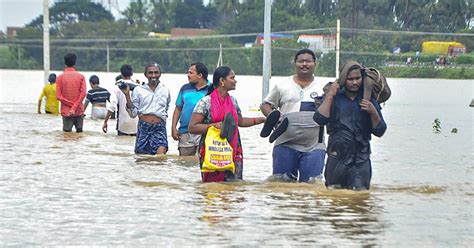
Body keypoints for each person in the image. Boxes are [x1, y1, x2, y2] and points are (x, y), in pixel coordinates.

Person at [313, 61, 387, 190]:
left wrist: (373, 112)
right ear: (343, 79)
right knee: (333, 194)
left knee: (360, 194)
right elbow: (320, 119)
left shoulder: (368, 99)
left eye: (357, 78)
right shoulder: (334, 97)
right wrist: (330, 95)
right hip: (337, 156)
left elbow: (380, 131)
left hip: (361, 158)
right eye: (350, 79)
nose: (354, 82)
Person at [188, 66, 265, 183]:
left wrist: (262, 119)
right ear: (222, 81)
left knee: (234, 184)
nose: (235, 81)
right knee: (212, 187)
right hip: (212, 148)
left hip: (233, 148)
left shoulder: (233, 101)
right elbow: (192, 127)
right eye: (232, 78)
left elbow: (240, 122)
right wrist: (214, 126)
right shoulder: (205, 102)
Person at [260, 48, 326, 182]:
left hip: (314, 146)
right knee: (281, 185)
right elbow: (265, 104)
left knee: (311, 185)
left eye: (308, 61)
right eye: (301, 61)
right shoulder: (282, 85)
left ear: (315, 63)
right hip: (285, 143)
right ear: (295, 63)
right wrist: (273, 118)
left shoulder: (323, 87)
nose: (304, 64)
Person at [122, 62, 170, 155]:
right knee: (142, 158)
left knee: (160, 157)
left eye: (156, 72)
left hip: (159, 128)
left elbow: (166, 109)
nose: (153, 75)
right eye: (150, 73)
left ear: (160, 74)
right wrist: (127, 95)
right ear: (145, 75)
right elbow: (133, 114)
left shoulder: (165, 90)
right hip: (144, 127)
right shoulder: (138, 90)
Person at [171, 62, 210, 156]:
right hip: (185, 132)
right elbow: (178, 109)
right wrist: (173, 127)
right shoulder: (185, 88)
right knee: (184, 163)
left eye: (191, 73)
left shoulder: (212, 89)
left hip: (204, 132)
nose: (188, 75)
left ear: (200, 75)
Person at [102, 65, 138, 136]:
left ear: (121, 73)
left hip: (122, 125)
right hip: (136, 125)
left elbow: (112, 106)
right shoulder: (138, 87)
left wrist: (105, 122)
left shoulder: (117, 86)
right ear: (132, 73)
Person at [56, 53, 87, 132]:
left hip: (66, 112)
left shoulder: (60, 78)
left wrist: (72, 106)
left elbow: (58, 96)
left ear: (65, 63)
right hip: (79, 110)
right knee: (79, 135)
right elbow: (83, 93)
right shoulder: (81, 77)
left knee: (66, 136)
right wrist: (75, 106)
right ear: (75, 63)